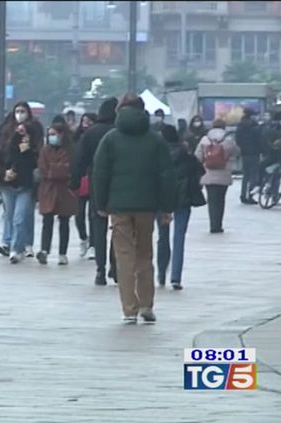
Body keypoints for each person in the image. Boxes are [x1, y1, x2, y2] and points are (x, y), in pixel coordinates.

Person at [92, 94, 177, 324]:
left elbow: (100, 173)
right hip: (146, 206)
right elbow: (166, 175)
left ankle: (129, 309)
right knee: (144, 255)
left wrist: (101, 203)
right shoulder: (155, 140)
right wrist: (167, 207)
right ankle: (146, 305)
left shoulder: (111, 139)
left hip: (119, 206)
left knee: (124, 257)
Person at [70, 97, 119, 286]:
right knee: (118, 225)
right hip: (117, 182)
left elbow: (78, 159)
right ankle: (115, 265)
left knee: (98, 225)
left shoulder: (91, 132)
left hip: (96, 182)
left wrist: (74, 182)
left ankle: (100, 269)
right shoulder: (119, 131)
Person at [155, 125, 205, 290]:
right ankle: (176, 277)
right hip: (183, 199)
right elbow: (200, 170)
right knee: (179, 237)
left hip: (163, 201)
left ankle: (161, 273)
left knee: (163, 236)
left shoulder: (157, 155)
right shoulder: (187, 155)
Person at [0, 101, 42, 263]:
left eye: (23, 111)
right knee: (10, 215)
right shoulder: (7, 134)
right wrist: (4, 173)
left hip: (25, 183)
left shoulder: (33, 134)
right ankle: (8, 242)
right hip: (8, 183)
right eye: (17, 111)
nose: (20, 115)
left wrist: (27, 136)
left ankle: (17, 248)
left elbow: (34, 158)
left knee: (20, 217)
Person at [36, 122, 77, 266]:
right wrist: (57, 169)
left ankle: (62, 253)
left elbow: (67, 169)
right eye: (50, 134)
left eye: (54, 134)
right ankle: (44, 250)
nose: (51, 137)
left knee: (64, 221)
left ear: (62, 134)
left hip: (65, 190)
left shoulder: (70, 150)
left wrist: (53, 170)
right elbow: (42, 168)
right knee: (47, 220)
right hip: (48, 189)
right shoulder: (45, 150)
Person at [194, 119, 240, 233]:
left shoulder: (204, 140)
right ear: (224, 127)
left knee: (212, 200)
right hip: (223, 174)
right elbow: (237, 152)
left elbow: (197, 157)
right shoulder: (228, 140)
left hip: (208, 174)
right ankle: (218, 224)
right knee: (221, 200)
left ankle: (213, 224)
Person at [72, 112, 96, 260]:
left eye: (89, 121)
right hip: (80, 179)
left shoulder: (96, 137)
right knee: (78, 214)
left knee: (92, 215)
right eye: (84, 121)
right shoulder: (77, 138)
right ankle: (83, 238)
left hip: (93, 178)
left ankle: (93, 244)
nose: (86, 124)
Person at [236, 108, 263, 204]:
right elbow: (260, 139)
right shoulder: (255, 126)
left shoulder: (240, 125)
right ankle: (250, 195)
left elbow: (237, 140)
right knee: (253, 176)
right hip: (254, 153)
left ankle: (243, 195)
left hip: (244, 153)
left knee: (245, 176)